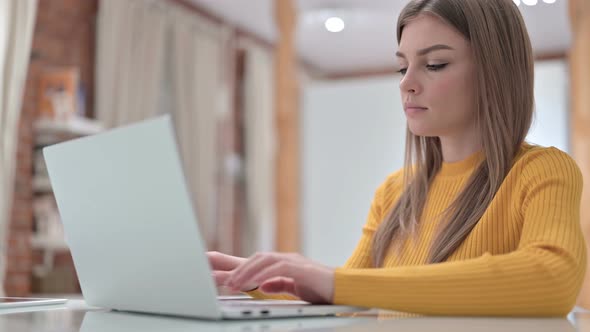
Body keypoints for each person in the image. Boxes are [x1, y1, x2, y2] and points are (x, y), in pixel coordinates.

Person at [207, 0, 587, 316]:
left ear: (496, 70)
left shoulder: (541, 171)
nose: (406, 83)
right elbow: (343, 301)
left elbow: (553, 279)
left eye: (434, 64)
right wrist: (256, 280)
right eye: (402, 66)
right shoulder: (394, 192)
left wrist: (336, 282)